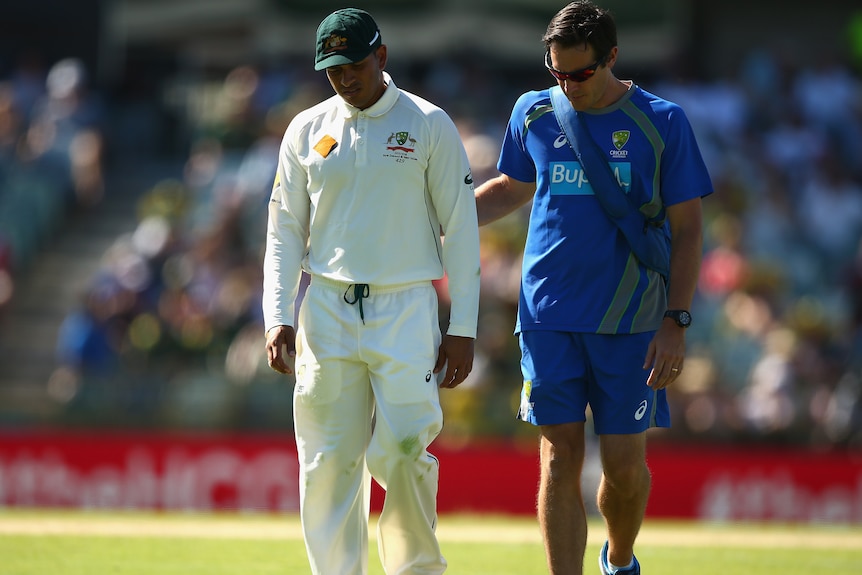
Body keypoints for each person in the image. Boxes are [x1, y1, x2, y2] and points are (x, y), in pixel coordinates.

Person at [474, 2, 713, 574]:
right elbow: (512, 187)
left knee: (624, 468)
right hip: (547, 314)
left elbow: (688, 231)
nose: (568, 86)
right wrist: (439, 223)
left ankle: (620, 559)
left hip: (630, 321)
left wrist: (676, 322)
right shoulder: (532, 112)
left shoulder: (664, 121)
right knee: (558, 457)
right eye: (557, 73)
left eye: (581, 74)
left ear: (611, 57)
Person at [261, 8, 480, 575]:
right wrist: (276, 313)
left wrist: (463, 328)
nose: (344, 79)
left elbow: (460, 231)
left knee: (406, 450)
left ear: (381, 57)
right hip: (327, 308)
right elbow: (284, 228)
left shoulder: (429, 124)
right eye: (332, 70)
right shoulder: (307, 128)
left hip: (406, 306)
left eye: (354, 65)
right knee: (327, 463)